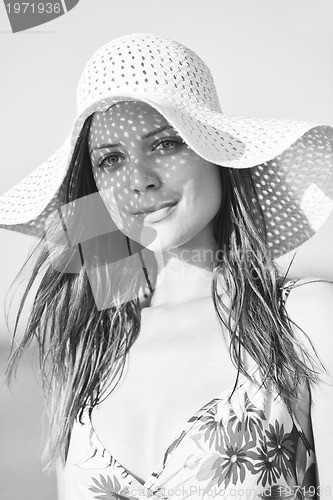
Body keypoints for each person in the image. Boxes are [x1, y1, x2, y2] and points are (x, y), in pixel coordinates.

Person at [1, 33, 333, 500]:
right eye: (111, 159)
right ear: (94, 183)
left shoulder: (303, 322)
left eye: (164, 143)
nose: (140, 181)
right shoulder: (87, 351)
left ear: (215, 151)